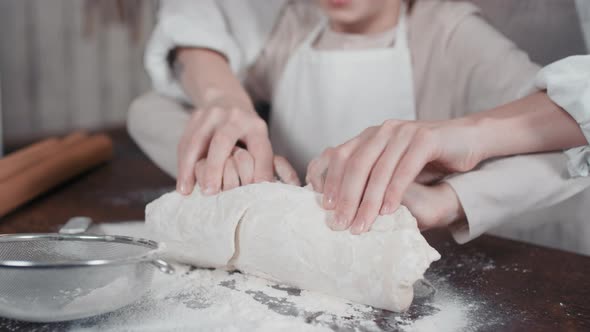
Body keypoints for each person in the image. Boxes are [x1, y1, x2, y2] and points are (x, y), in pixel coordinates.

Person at [128, 0, 590, 243]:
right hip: (291, 250)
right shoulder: (295, 27)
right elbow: (149, 108)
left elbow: (575, 140)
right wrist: (223, 154)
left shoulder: (450, 36)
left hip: (433, 268)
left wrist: (449, 200)